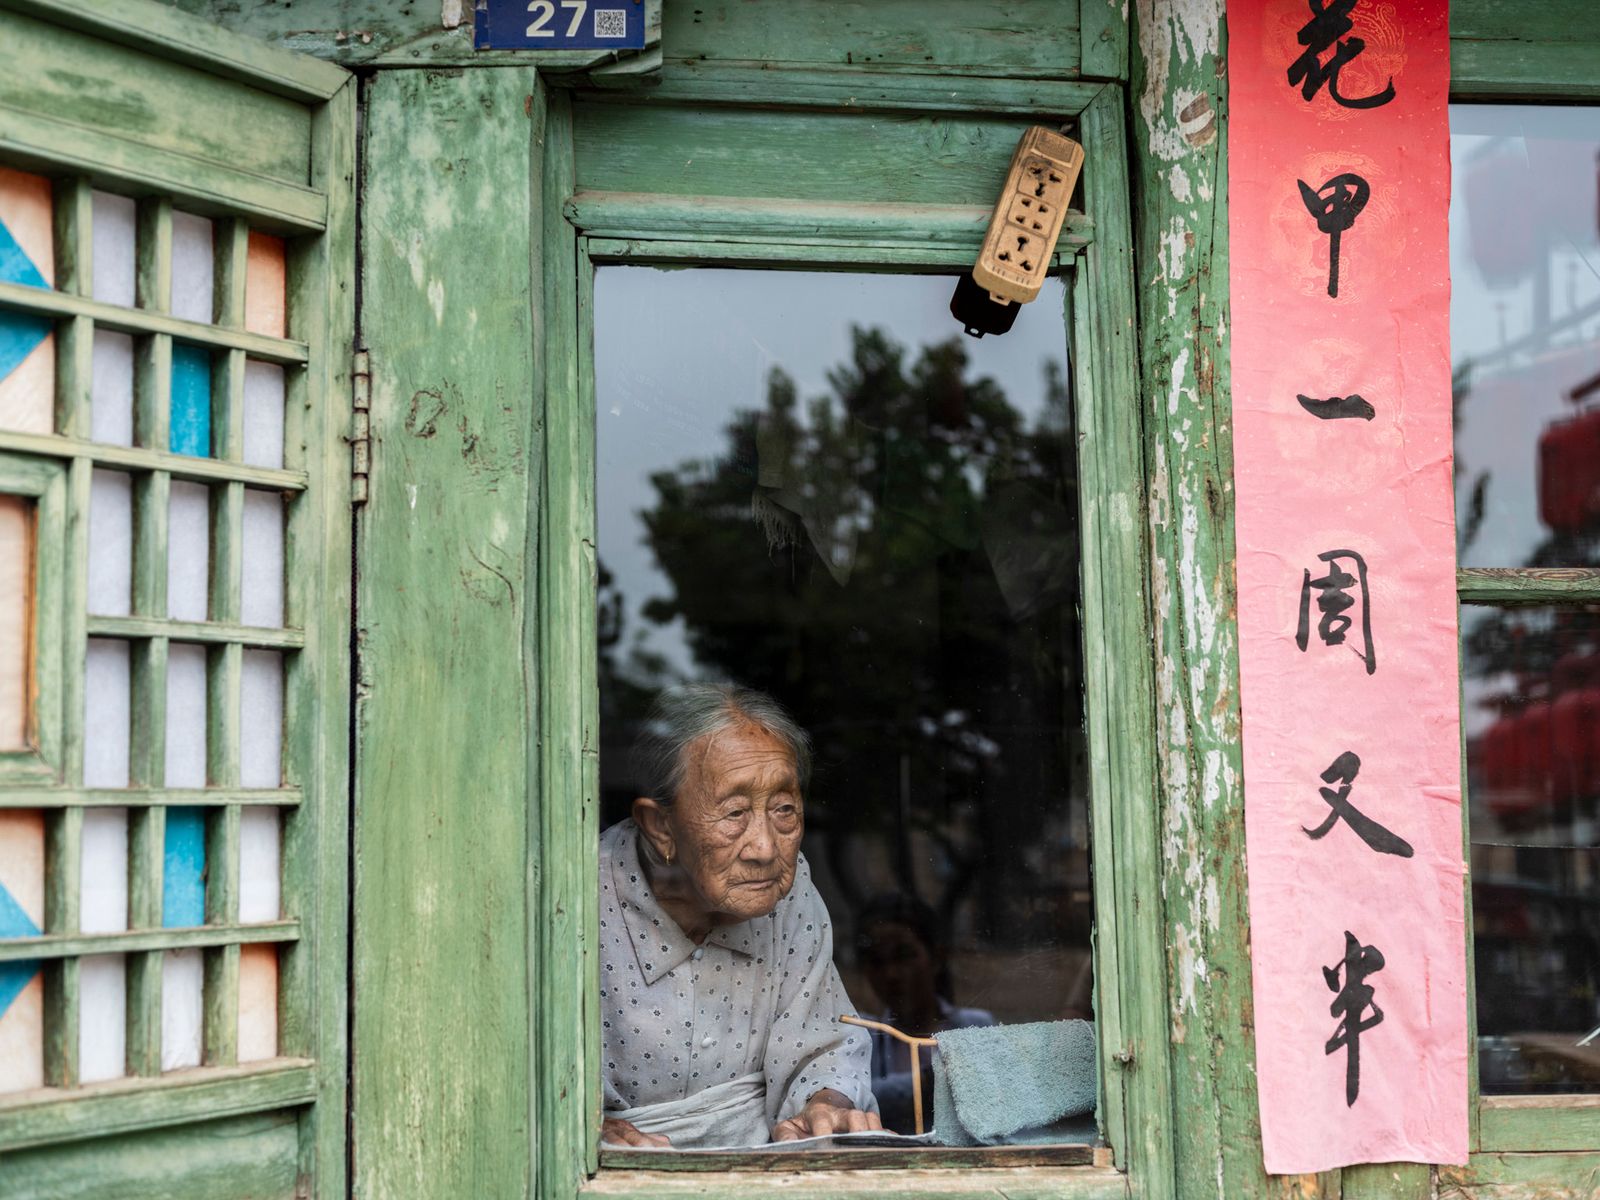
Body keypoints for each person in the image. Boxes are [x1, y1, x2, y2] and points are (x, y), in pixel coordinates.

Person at [599, 683, 882, 1148]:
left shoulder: (789, 895)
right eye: (734, 813)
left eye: (784, 810)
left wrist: (824, 1106)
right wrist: (587, 1131)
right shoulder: (576, 899)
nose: (766, 848)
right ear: (660, 826)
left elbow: (824, 1044)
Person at [854, 892, 996, 1133]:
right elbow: (851, 1100)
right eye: (877, 962)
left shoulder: (976, 1025)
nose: (892, 974)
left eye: (904, 956)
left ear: (936, 958)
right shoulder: (863, 1038)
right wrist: (930, 1083)